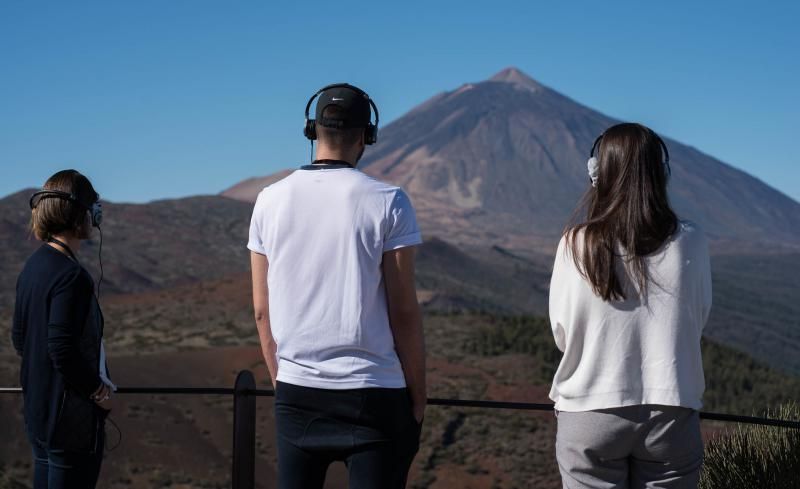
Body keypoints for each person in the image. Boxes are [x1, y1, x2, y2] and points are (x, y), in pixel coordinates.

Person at [248, 83, 426, 488]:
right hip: (375, 394)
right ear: (368, 135)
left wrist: (283, 380)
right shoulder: (389, 201)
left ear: (312, 131)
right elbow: (403, 311)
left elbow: (262, 309)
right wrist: (418, 394)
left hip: (297, 391)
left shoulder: (268, 200)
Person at [548, 123, 711, 489]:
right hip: (670, 411)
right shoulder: (691, 240)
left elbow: (562, 332)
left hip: (590, 413)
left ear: (597, 174)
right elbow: (697, 319)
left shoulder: (575, 243)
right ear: (661, 173)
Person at [12, 169, 115, 489]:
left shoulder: (34, 266)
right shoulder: (72, 276)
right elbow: (61, 347)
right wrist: (97, 390)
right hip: (70, 421)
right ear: (82, 215)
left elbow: (20, 337)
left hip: (39, 412)